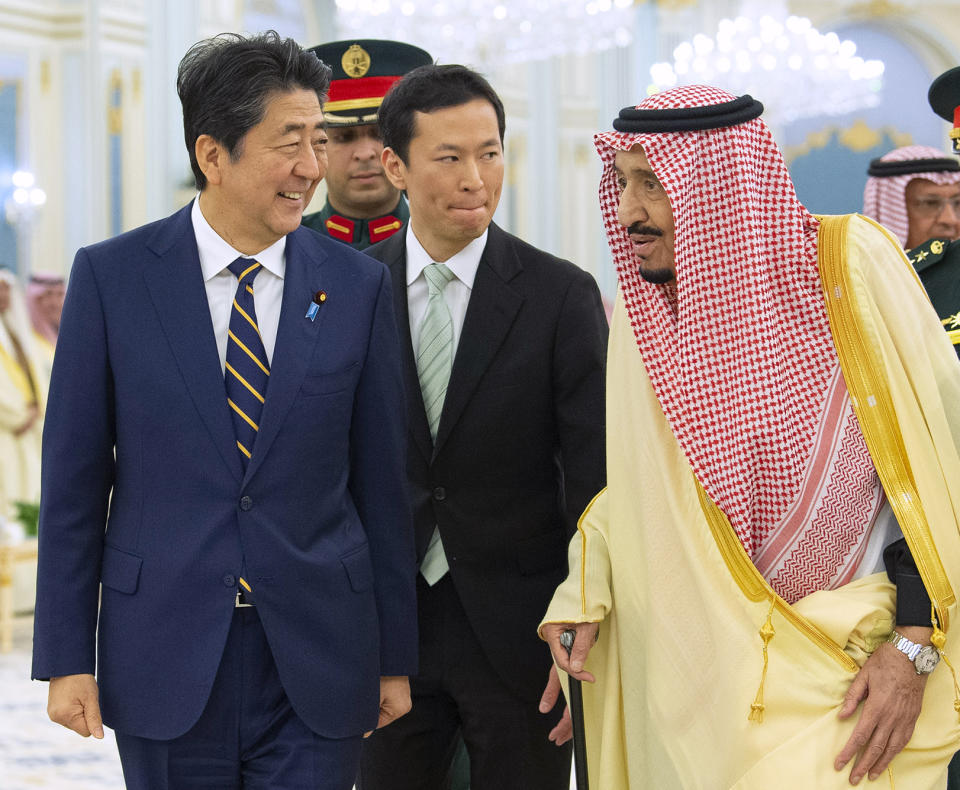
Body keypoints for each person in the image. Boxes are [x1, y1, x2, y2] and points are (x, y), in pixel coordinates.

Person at [540, 85, 960, 789]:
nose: (628, 213)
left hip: (854, 670)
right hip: (703, 681)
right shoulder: (646, 329)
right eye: (622, 183)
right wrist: (584, 591)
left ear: (719, 186)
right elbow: (648, 497)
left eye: (653, 184)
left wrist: (915, 646)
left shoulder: (848, 270)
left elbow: (941, 459)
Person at [31, 31, 417, 790]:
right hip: (165, 651)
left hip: (319, 653)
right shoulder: (112, 280)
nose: (313, 167)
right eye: (290, 144)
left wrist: (394, 655)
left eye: (320, 139)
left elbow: (381, 485)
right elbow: (74, 487)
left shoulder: (356, 286)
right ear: (213, 154)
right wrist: (67, 658)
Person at [358, 64, 608, 790]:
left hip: (521, 633)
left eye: (491, 152)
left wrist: (581, 616)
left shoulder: (559, 295)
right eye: (450, 157)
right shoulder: (349, 290)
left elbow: (592, 475)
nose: (477, 177)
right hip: (388, 631)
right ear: (395, 166)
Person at [301, 39, 432, 249]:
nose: (364, 153)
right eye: (345, 137)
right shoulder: (283, 247)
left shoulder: (439, 244)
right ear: (315, 147)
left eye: (380, 134)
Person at [0, 268, 44, 518]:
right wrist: (19, 415)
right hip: (7, 430)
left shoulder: (14, 333)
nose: (3, 294)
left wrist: (35, 410)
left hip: (25, 434)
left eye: (7, 287)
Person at [862, 144, 960, 250]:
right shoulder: (854, 266)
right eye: (930, 204)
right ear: (889, 210)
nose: (950, 220)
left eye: (958, 203)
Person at [24, 271, 65, 380]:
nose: (55, 303)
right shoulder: (24, 342)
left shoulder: (66, 339)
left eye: (60, 294)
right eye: (48, 295)